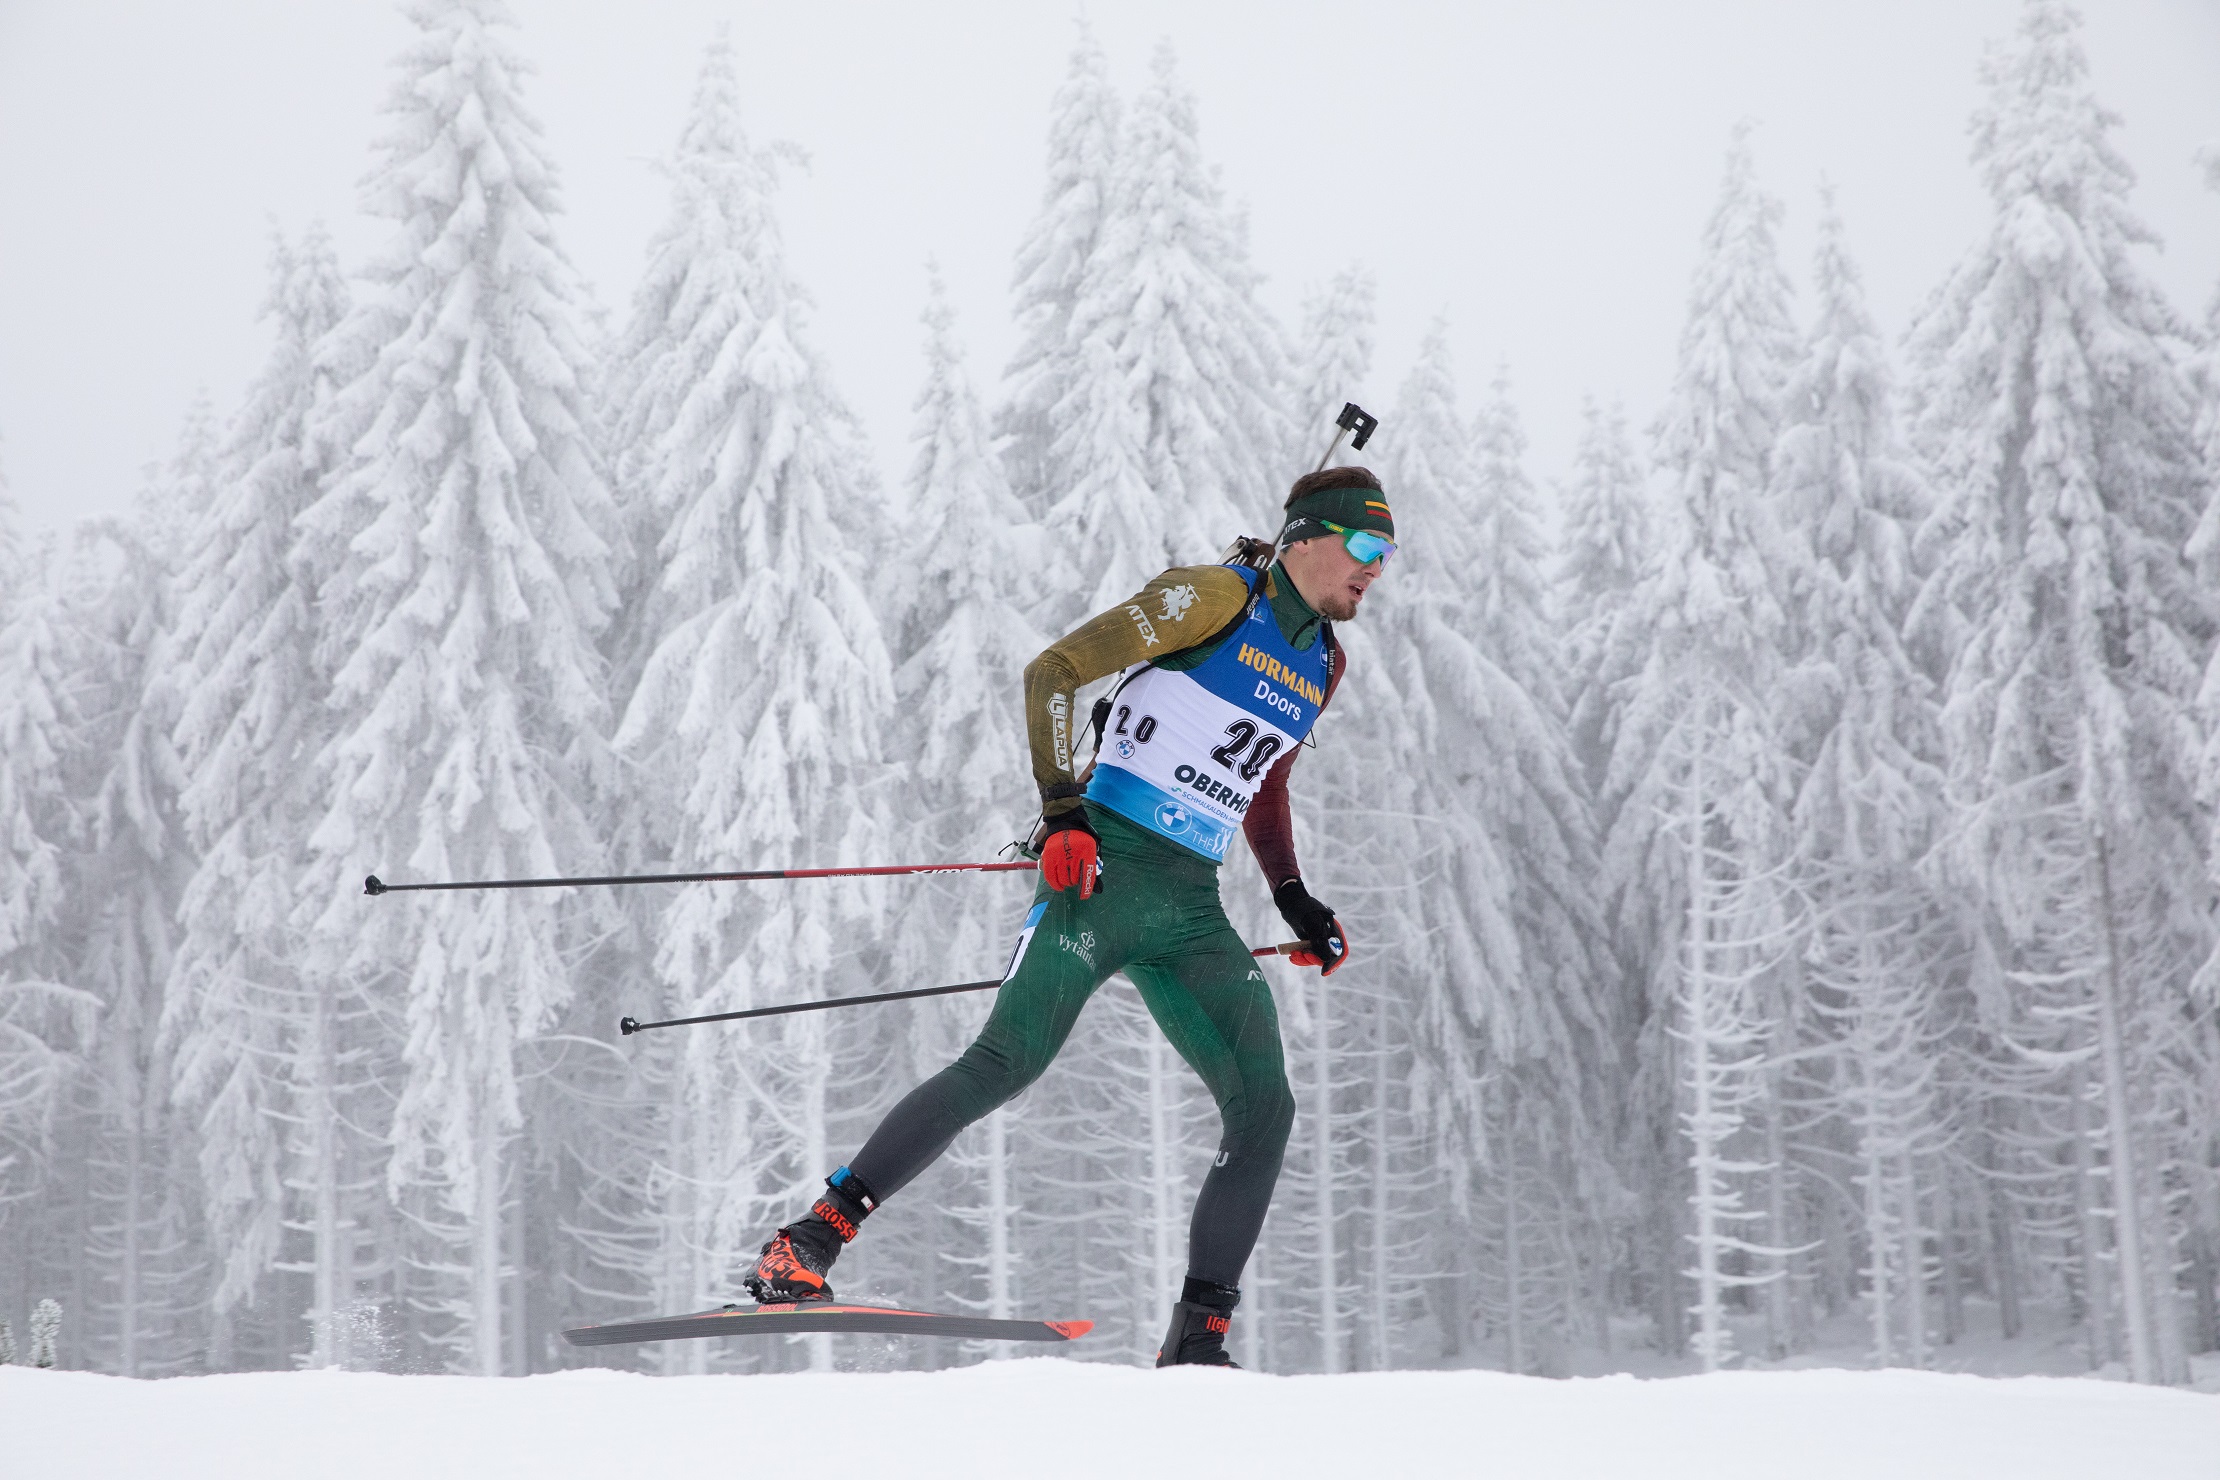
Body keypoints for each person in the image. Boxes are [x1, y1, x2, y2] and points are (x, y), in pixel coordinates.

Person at [743, 466, 1396, 1367]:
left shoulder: (1324, 661)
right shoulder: (1210, 598)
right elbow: (1053, 671)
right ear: (1305, 539)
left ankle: (1197, 1344)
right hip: (1100, 871)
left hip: (1191, 909)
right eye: (1365, 546)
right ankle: (806, 1241)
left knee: (1266, 1107)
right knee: (1006, 1061)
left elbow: (1265, 777)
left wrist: (1292, 895)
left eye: (1388, 555)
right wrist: (1062, 813)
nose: (1376, 568)